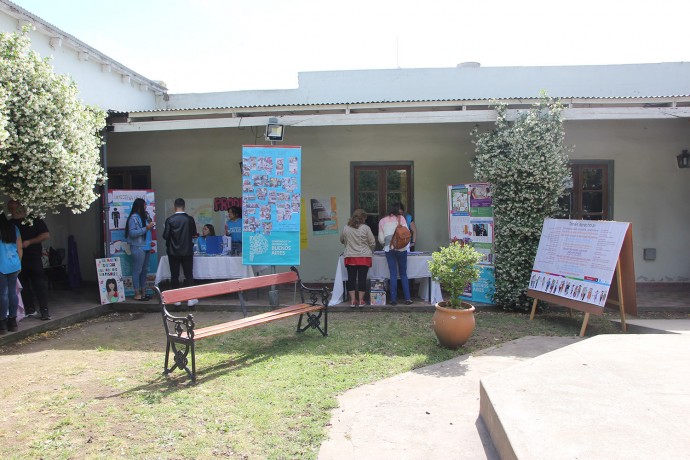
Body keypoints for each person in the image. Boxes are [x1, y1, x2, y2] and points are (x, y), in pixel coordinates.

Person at [7, 200, 51, 320]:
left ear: (20, 206)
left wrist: (29, 242)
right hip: (17, 258)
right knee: (23, 285)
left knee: (39, 283)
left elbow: (46, 235)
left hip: (33, 256)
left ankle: (44, 310)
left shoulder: (33, 219)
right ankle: (29, 308)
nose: (11, 210)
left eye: (13, 207)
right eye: (9, 208)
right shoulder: (10, 223)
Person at [163, 198, 198, 307]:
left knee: (174, 275)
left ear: (174, 206)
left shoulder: (170, 220)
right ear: (184, 206)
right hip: (187, 251)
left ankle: (176, 299)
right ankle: (190, 298)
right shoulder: (190, 219)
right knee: (189, 274)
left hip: (173, 252)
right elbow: (194, 234)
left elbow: (165, 236)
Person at [378, 203, 412, 305]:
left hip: (389, 250)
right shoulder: (401, 219)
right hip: (402, 249)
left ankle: (393, 299)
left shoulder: (382, 221)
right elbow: (407, 234)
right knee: (403, 274)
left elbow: (380, 239)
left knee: (393, 274)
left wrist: (387, 244)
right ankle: (407, 298)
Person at [340, 209, 375, 307]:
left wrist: (348, 244)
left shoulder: (346, 228)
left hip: (350, 256)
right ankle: (361, 300)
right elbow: (372, 242)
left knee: (351, 278)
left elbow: (342, 240)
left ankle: (352, 300)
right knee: (362, 279)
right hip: (364, 257)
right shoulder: (366, 228)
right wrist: (370, 249)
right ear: (363, 218)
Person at [125, 198, 154, 301]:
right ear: (139, 206)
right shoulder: (133, 218)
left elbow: (149, 228)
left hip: (146, 246)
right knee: (137, 270)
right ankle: (136, 293)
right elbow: (132, 233)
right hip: (138, 246)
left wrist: (150, 225)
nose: (146, 207)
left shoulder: (145, 216)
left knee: (144, 270)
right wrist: (146, 228)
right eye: (144, 205)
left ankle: (144, 292)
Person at [0, 212, 22, 334]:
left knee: (2, 294)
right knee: (12, 292)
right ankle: (12, 322)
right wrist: (19, 264)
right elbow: (19, 247)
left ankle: (2, 323)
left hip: (1, 264)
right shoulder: (13, 227)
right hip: (14, 263)